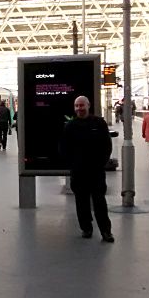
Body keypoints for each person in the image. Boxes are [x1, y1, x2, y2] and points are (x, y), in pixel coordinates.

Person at [60, 96, 114, 243]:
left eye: (81, 105)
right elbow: (64, 148)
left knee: (99, 202)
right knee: (81, 202)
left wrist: (101, 163)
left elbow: (107, 146)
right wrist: (72, 164)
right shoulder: (70, 126)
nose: (79, 108)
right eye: (76, 106)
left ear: (88, 106)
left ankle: (106, 231)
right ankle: (86, 228)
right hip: (78, 172)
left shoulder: (99, 123)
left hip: (96, 171)